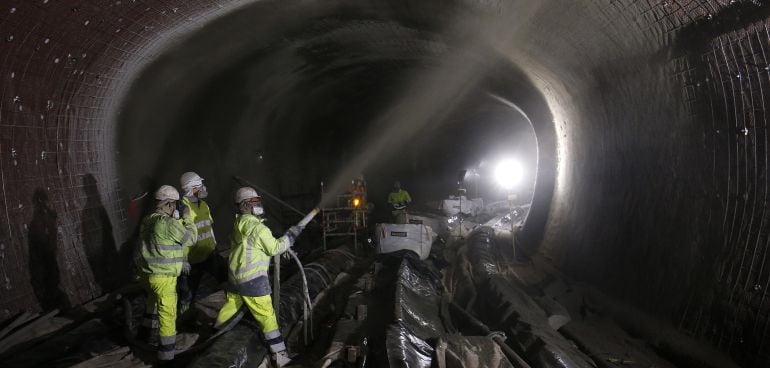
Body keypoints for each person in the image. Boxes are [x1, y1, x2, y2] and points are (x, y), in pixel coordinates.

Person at [214, 187, 303, 367]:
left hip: (235, 279)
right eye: (255, 201)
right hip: (253, 281)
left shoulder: (239, 223)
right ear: (246, 205)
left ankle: (214, 339)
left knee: (230, 308)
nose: (259, 204)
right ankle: (280, 356)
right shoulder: (257, 228)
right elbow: (274, 248)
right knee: (268, 318)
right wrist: (291, 236)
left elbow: (253, 248)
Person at [135, 185, 197, 362]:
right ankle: (166, 356)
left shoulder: (148, 220)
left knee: (151, 305)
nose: (176, 208)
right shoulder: (168, 224)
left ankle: (143, 335)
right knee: (168, 316)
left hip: (148, 275)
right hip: (164, 278)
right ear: (169, 204)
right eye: (176, 205)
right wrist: (186, 217)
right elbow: (191, 239)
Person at [177, 171, 217, 314]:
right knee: (187, 295)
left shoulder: (204, 205)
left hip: (209, 254)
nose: (203, 188)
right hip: (192, 261)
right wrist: (182, 259)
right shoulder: (182, 209)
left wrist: (215, 245)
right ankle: (183, 320)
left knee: (227, 278)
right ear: (190, 188)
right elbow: (178, 236)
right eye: (199, 185)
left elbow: (209, 227)